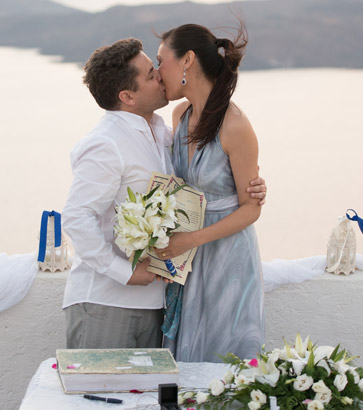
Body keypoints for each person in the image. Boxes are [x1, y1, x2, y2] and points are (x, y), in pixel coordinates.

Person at [62, 37, 266, 350]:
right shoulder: (105, 142)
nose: (159, 74)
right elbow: (77, 217)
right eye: (149, 74)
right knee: (102, 398)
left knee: (149, 399)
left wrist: (250, 182)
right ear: (128, 96)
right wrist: (126, 273)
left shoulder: (162, 130)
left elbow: (200, 176)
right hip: (107, 303)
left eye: (155, 66)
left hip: (156, 302)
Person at [154, 22, 265, 362]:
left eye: (161, 61)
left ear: (187, 60)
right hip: (187, 258)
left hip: (227, 258)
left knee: (224, 361)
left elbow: (251, 209)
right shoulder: (180, 115)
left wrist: (191, 240)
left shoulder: (235, 125)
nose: (158, 72)